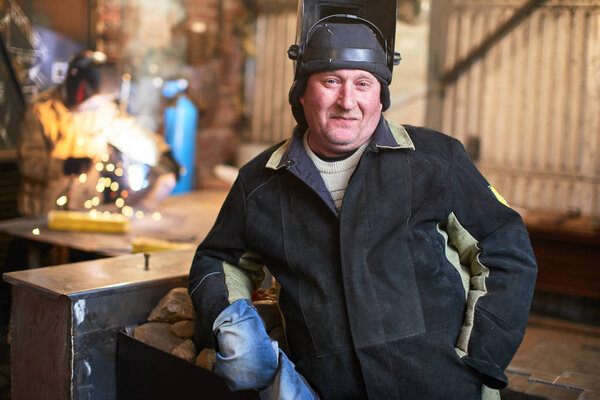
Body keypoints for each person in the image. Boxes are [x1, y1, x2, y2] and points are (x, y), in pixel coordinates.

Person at [188, 10, 537, 400]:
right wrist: (232, 323)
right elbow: (220, 258)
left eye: (363, 84)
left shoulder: (436, 160)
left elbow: (504, 247)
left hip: (444, 384)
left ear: (381, 97)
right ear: (302, 93)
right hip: (327, 386)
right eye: (331, 81)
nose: (347, 101)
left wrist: (479, 357)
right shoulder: (262, 181)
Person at [17, 50, 180, 216]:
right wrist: (65, 166)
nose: (94, 108)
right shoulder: (40, 111)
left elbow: (132, 133)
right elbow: (29, 163)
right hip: (42, 214)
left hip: (84, 211)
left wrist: (162, 154)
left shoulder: (103, 111)